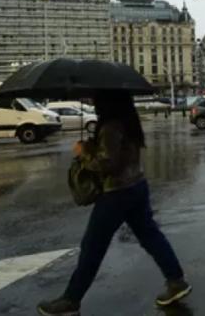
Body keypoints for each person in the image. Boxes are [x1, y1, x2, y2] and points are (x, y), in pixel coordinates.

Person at [37, 91, 190, 316]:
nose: (94, 103)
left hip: (117, 192)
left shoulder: (111, 126)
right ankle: (176, 281)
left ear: (106, 102)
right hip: (137, 185)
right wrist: (92, 147)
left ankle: (70, 300)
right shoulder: (128, 121)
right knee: (150, 236)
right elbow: (120, 155)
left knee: (92, 246)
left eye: (97, 99)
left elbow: (107, 163)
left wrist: (83, 154)